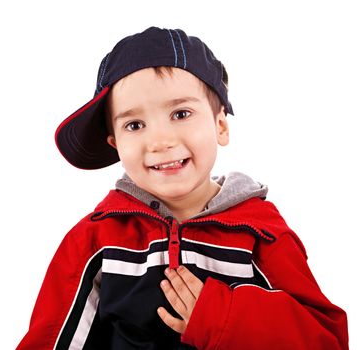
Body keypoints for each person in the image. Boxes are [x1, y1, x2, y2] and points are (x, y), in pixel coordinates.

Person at [17, 26, 348, 349]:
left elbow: (327, 339)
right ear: (115, 143)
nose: (160, 141)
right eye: (135, 125)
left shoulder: (262, 236)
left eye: (180, 113)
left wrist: (220, 316)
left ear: (220, 126)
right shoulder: (94, 241)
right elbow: (52, 338)